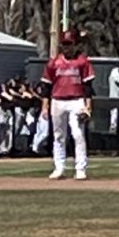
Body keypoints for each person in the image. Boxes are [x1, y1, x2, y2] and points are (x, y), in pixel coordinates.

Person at [43, 28, 98, 181]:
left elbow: (88, 86)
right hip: (57, 100)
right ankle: (59, 168)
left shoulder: (82, 62)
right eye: (64, 44)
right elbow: (46, 86)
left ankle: (80, 169)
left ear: (75, 44)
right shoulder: (54, 62)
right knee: (59, 136)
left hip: (77, 100)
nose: (66, 47)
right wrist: (45, 106)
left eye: (69, 44)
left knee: (78, 134)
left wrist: (88, 105)